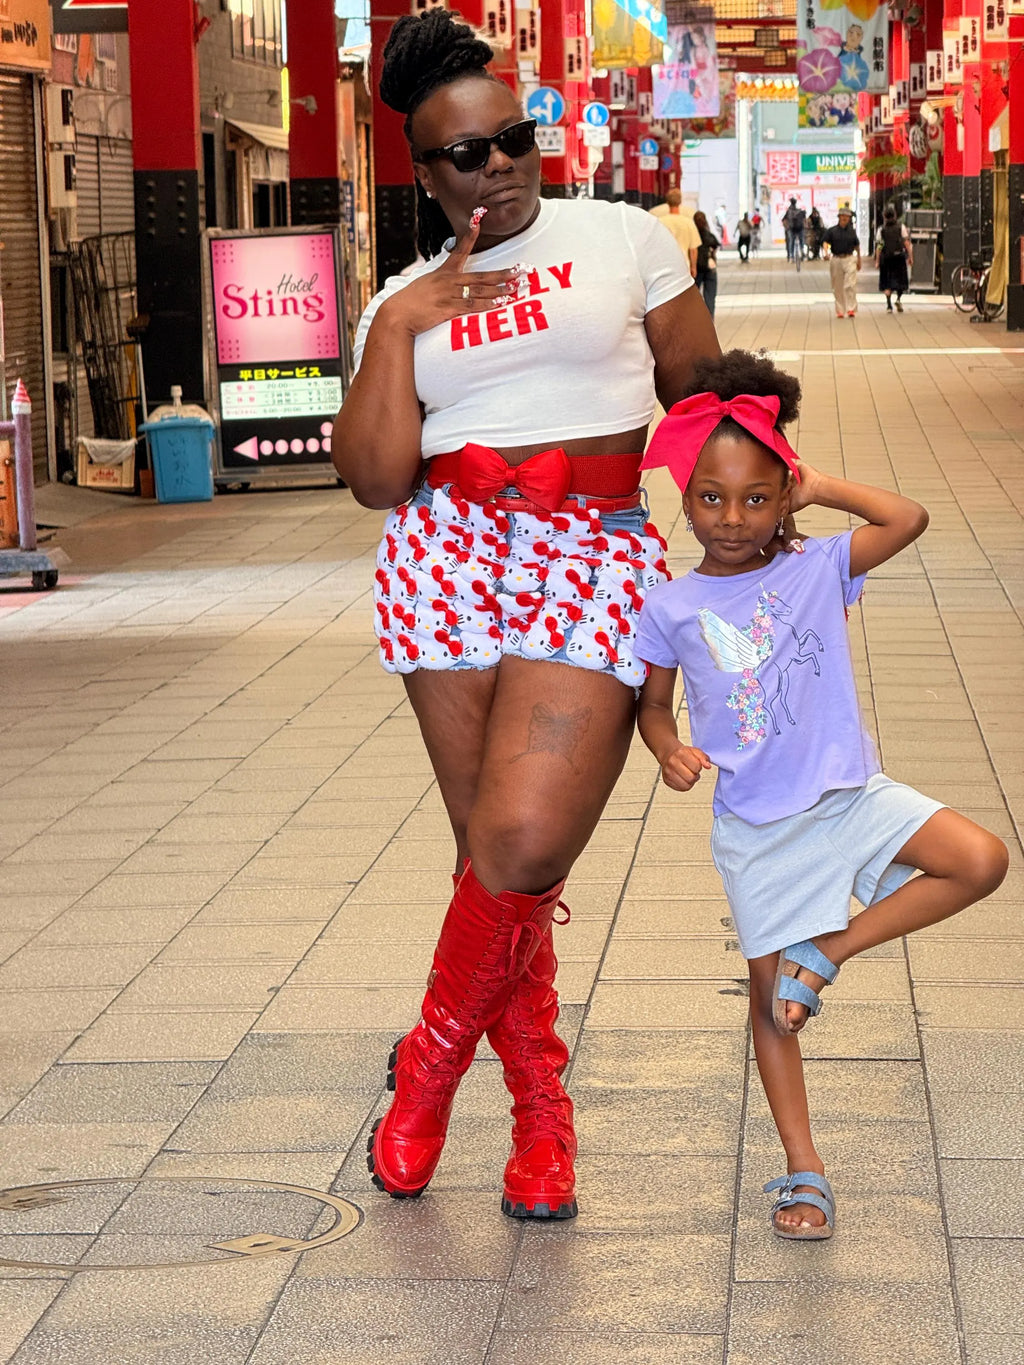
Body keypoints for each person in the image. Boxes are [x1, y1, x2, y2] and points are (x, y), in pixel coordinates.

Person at [331, 8, 719, 1223]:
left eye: (514, 140)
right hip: (443, 555)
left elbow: (700, 395)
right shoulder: (397, 299)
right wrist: (404, 322)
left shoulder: (623, 238)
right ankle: (543, 1117)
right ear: (424, 168)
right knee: (487, 860)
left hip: (589, 546)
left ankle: (431, 1072)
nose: (496, 166)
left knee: (523, 843)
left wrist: (747, 531)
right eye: (467, 153)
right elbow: (377, 476)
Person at [632, 348, 1008, 1240]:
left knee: (981, 860)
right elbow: (650, 706)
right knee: (771, 1009)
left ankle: (829, 949)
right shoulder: (670, 605)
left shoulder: (819, 566)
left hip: (847, 794)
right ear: (683, 498)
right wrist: (669, 749)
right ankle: (804, 1170)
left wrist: (819, 486)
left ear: (784, 492)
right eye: (711, 498)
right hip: (758, 828)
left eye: (757, 497)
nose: (732, 518)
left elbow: (908, 516)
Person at [651, 189, 701, 278]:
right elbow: (693, 249)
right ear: (680, 202)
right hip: (684, 265)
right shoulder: (688, 222)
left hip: (664, 265)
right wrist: (693, 267)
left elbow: (654, 246)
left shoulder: (660, 222)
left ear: (667, 202)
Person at [822, 206, 861, 317]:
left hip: (849, 258)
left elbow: (857, 246)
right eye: (843, 216)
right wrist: (825, 253)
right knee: (837, 286)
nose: (845, 218)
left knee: (850, 284)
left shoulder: (852, 232)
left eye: (847, 216)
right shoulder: (832, 231)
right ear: (839, 217)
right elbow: (825, 241)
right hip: (836, 259)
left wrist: (859, 260)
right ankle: (840, 309)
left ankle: (851, 308)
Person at [875, 204, 913, 312]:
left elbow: (879, 246)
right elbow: (906, 243)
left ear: (884, 216)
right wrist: (910, 257)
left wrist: (877, 260)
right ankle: (898, 299)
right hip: (899, 257)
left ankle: (888, 306)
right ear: (895, 215)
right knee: (900, 281)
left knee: (887, 282)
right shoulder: (901, 227)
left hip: (886, 258)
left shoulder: (881, 229)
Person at [693, 210, 720, 317]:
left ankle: (696, 320)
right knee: (710, 297)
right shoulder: (709, 235)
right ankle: (710, 321)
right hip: (709, 268)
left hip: (697, 269)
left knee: (694, 298)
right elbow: (715, 245)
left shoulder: (694, 236)